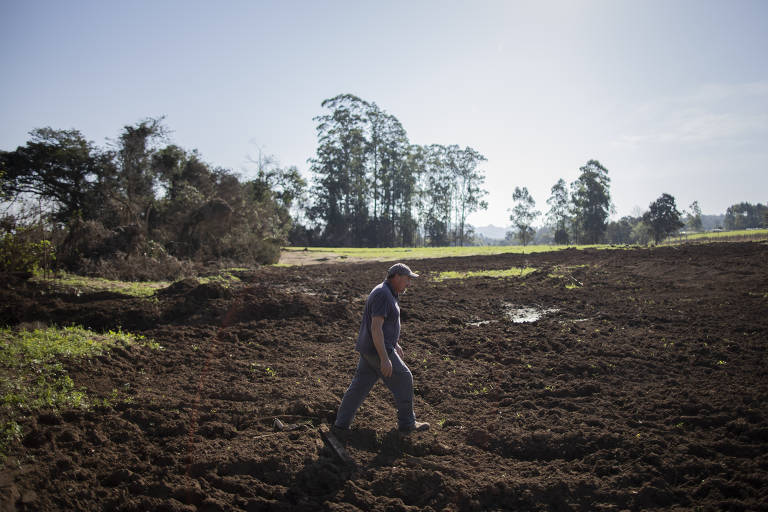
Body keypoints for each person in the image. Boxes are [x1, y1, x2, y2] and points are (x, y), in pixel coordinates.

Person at [333, 263, 430, 434]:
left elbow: (386, 325)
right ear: (397, 277)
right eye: (407, 279)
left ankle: (341, 424)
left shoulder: (388, 292)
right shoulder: (383, 294)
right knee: (405, 378)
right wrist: (385, 358)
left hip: (370, 349)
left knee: (359, 387)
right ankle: (407, 423)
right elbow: (376, 327)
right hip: (377, 349)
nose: (409, 284)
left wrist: (395, 343)